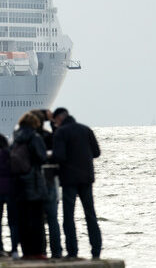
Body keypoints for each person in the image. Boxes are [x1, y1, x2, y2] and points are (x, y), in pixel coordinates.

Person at [52, 109, 102, 260]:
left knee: (69, 216)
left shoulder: (61, 133)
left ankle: (72, 251)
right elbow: (96, 152)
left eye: (55, 121)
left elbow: (59, 156)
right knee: (90, 215)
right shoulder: (86, 129)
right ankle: (96, 251)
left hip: (69, 179)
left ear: (59, 118)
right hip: (87, 178)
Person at [12, 112, 48, 259]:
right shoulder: (35, 137)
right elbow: (42, 157)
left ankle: (26, 251)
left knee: (23, 219)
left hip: (19, 184)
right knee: (37, 219)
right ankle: (38, 251)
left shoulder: (16, 138)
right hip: (33, 182)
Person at [31, 109, 61, 259]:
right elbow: (58, 147)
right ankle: (57, 252)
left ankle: (40, 251)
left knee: (36, 219)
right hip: (49, 180)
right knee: (53, 219)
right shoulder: (49, 136)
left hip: (34, 182)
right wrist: (53, 124)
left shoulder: (29, 138)